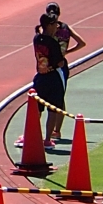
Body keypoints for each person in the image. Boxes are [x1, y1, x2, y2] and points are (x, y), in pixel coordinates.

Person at [30, 14, 67, 149]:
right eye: (55, 24)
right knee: (53, 109)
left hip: (40, 76)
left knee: (37, 109)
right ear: (49, 25)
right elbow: (60, 62)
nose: (56, 27)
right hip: (53, 77)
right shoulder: (53, 43)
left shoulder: (36, 39)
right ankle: (47, 139)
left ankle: (33, 136)